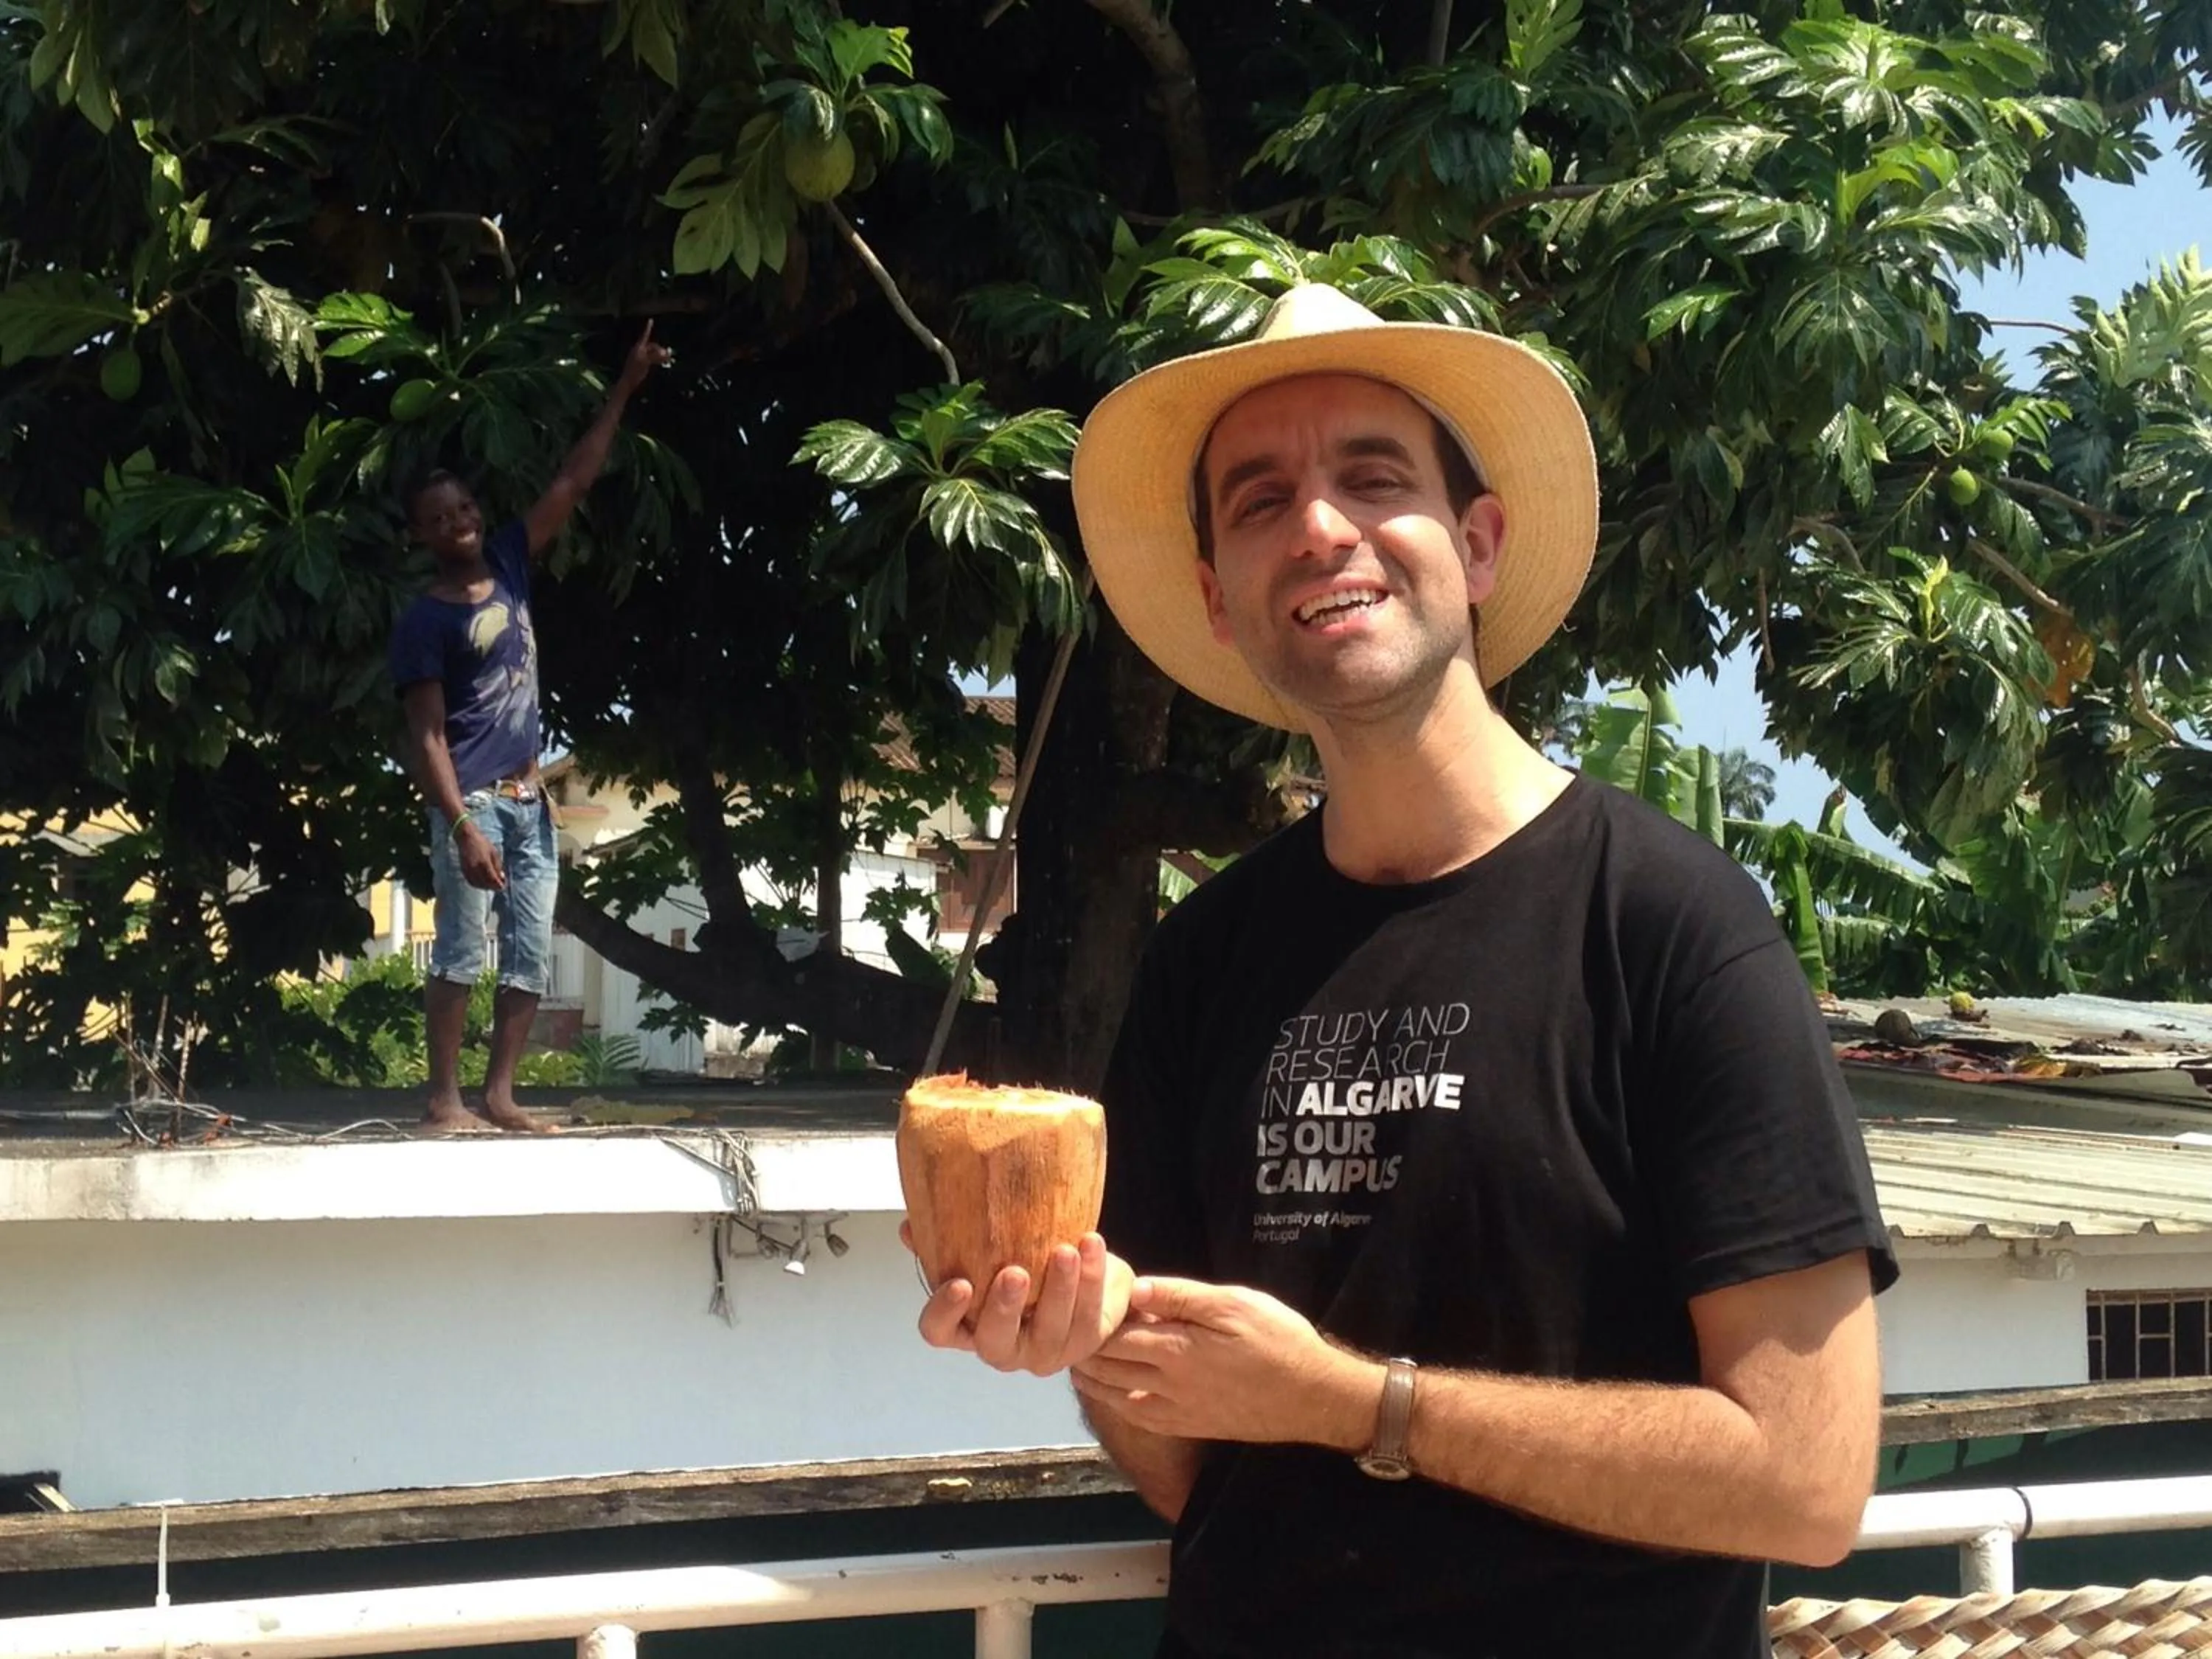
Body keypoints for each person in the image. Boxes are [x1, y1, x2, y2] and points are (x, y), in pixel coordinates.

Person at [911, 285, 1896, 1656]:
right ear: (1219, 599)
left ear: (1478, 543)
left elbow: (1805, 1478)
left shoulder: (1671, 925)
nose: (1319, 526)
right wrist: (1081, 1341)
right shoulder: (1205, 957)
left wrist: (1355, 1404)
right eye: (1260, 501)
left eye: (1374, 478)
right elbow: (1192, 1457)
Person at [388, 322, 670, 1135]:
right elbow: (428, 738)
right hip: (473, 803)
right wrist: (462, 826)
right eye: (439, 518)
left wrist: (625, 386)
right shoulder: (424, 622)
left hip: (530, 800)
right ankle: (445, 1100)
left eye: (464, 508)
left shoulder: (510, 562)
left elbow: (574, 480)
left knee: (528, 953)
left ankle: (501, 1096)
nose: (459, 521)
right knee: (458, 950)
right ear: (420, 535)